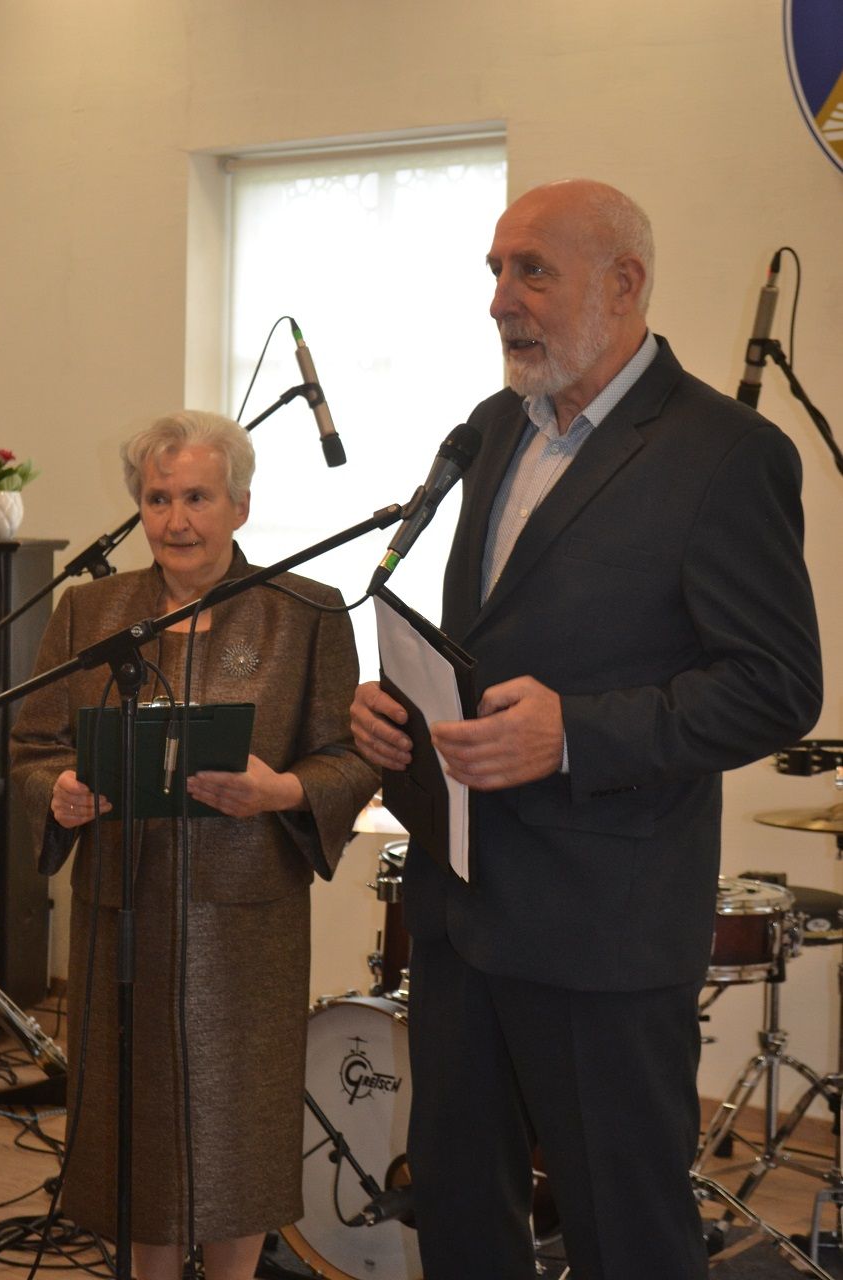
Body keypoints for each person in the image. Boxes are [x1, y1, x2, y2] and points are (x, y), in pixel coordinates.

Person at [350, 180, 823, 1279]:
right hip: (461, 906)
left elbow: (774, 686)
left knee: (624, 1231)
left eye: (532, 271)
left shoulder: (724, 452)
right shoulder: (492, 429)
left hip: (604, 922)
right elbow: (491, 643)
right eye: (494, 271)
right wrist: (399, 712)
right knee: (458, 1210)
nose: (500, 299)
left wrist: (573, 735)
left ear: (623, 282)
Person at [10, 411, 377, 1280]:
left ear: (240, 506)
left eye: (198, 499)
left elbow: (351, 754)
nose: (176, 520)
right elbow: (33, 746)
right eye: (158, 499)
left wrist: (281, 791)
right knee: (133, 1127)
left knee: (234, 1126)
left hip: (246, 923)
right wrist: (59, 792)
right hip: (121, 918)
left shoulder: (306, 612)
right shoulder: (89, 612)